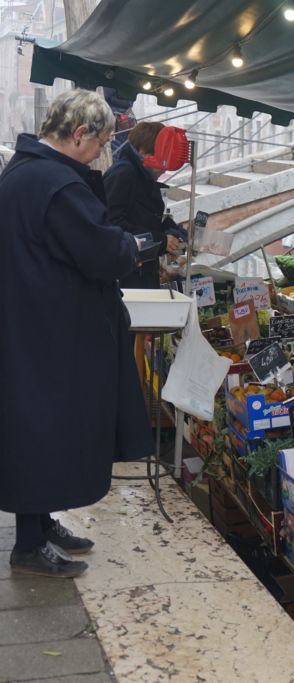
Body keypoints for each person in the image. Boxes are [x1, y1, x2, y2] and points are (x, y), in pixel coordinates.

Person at [0, 89, 152, 578]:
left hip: (32, 322)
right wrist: (132, 244)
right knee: (42, 430)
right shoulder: (55, 184)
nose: (101, 154)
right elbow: (103, 252)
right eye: (101, 143)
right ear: (80, 133)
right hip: (49, 329)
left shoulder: (24, 173)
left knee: (39, 427)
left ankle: (41, 524)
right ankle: (28, 542)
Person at [104, 121, 182, 289]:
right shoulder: (123, 174)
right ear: (144, 151)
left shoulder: (141, 175)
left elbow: (139, 217)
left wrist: (166, 228)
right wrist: (159, 240)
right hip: (127, 275)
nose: (165, 167)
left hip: (141, 269)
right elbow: (111, 223)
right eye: (162, 157)